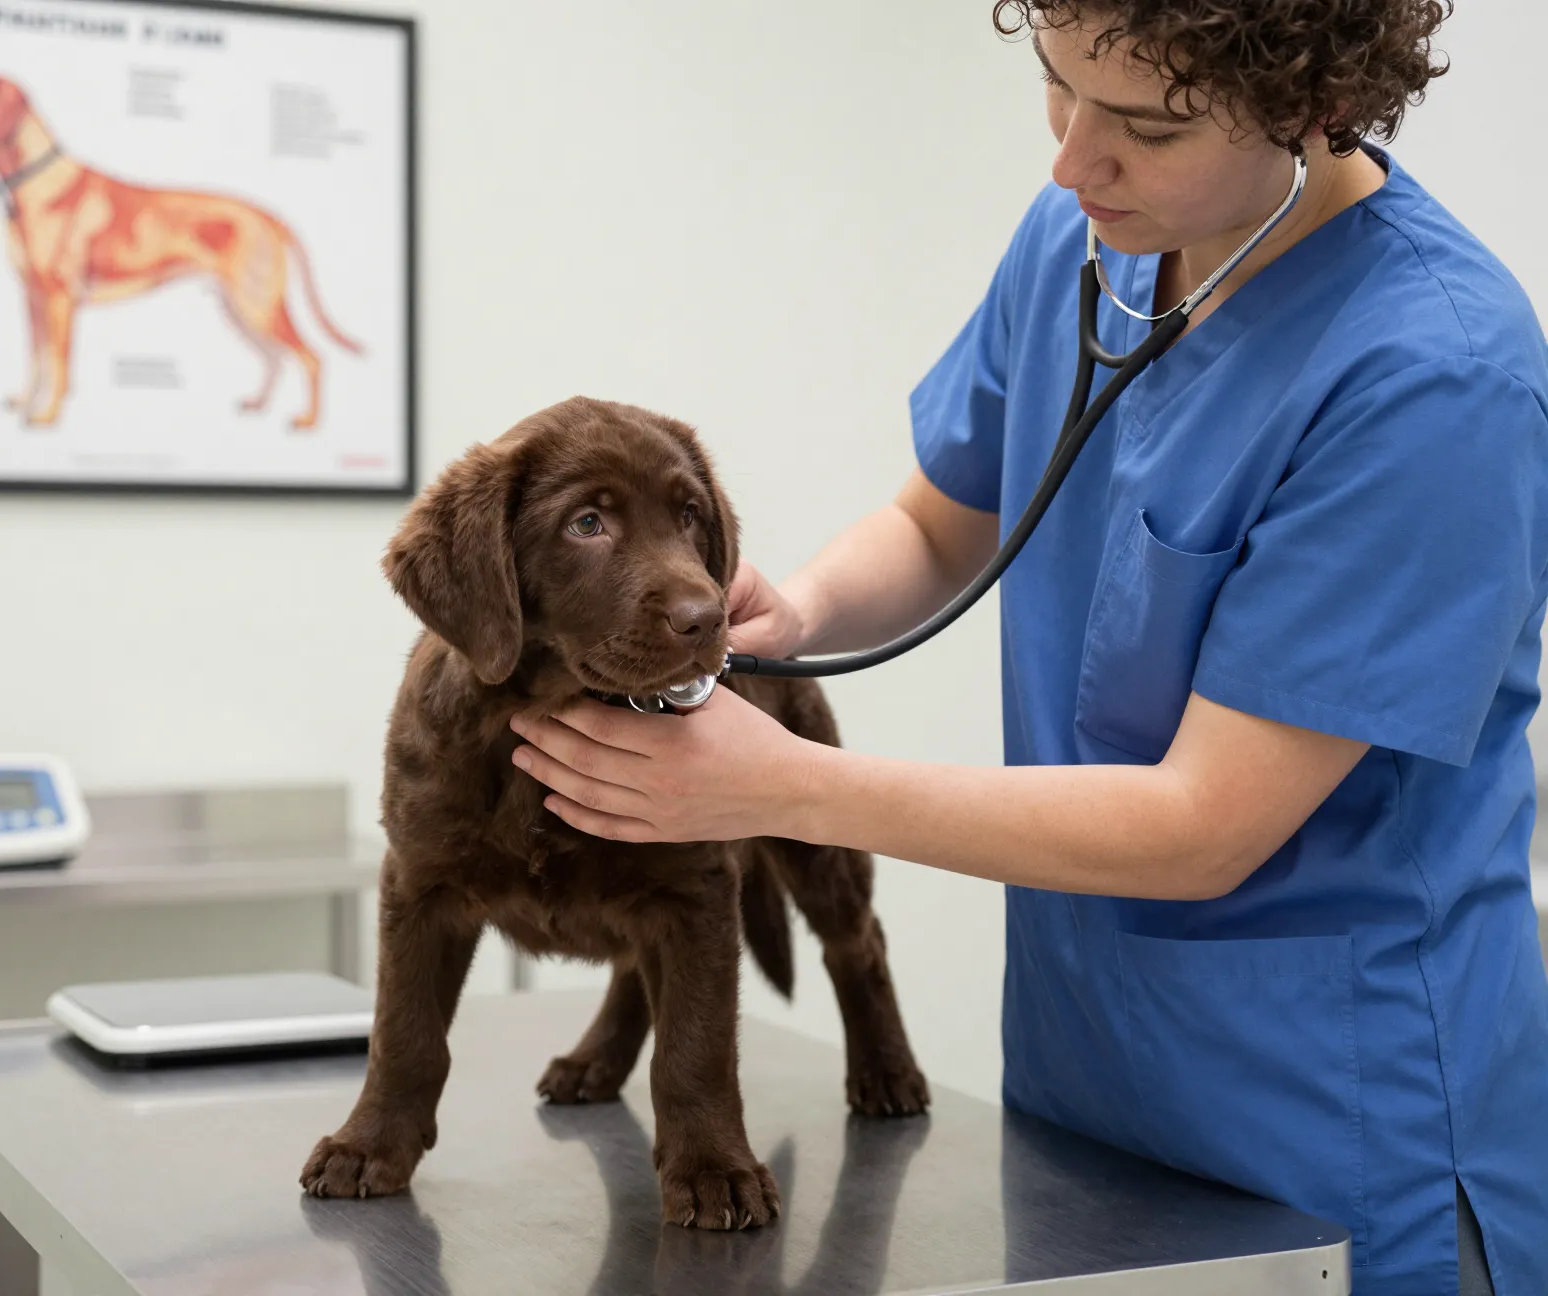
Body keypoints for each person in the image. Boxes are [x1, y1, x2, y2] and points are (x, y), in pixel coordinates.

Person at [505, 3, 1548, 1292]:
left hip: (1333, 1125)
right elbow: (936, 523)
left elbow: (1208, 824)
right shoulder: (1085, 242)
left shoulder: (1432, 374)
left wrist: (780, 785)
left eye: (1149, 127)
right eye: (1059, 88)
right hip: (1084, 1090)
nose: (1073, 161)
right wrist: (799, 613)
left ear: (1318, 106)